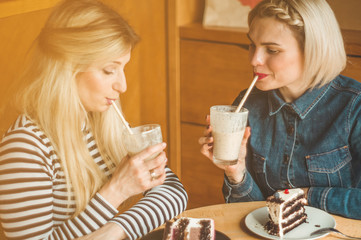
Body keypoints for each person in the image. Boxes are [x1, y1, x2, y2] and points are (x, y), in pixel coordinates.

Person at [0, 0, 188, 239]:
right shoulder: (25, 149)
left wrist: (117, 229)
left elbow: (173, 191)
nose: (123, 85)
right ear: (68, 66)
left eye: (123, 68)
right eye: (110, 70)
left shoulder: (102, 121)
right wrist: (117, 190)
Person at [199, 0, 361, 220]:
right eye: (252, 45)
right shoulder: (246, 107)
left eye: (272, 50)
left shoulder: (354, 106)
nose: (255, 60)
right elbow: (252, 214)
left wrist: (306, 196)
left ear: (313, 50)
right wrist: (236, 172)